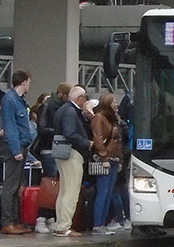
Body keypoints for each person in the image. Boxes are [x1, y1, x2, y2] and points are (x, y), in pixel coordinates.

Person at [52, 86, 94, 237]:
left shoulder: (62, 109)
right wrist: (86, 143)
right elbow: (70, 133)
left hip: (62, 153)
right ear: (80, 98)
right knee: (71, 192)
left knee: (64, 191)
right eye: (85, 98)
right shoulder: (71, 111)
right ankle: (64, 226)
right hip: (72, 153)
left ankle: (60, 224)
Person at [0, 70, 34, 235]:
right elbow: (10, 126)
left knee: (17, 186)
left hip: (22, 145)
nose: (29, 85)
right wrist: (15, 149)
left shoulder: (19, 100)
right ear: (24, 82)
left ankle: (15, 220)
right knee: (10, 186)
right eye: (29, 82)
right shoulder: (10, 100)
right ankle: (7, 222)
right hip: (16, 146)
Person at [90, 93, 122, 235]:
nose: (116, 104)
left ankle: (102, 222)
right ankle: (98, 224)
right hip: (106, 158)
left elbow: (118, 141)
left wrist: (119, 159)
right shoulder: (99, 118)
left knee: (109, 192)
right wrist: (103, 157)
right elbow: (98, 137)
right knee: (103, 192)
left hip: (114, 158)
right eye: (113, 101)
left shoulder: (112, 119)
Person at [37, 82, 72, 178]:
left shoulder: (63, 108)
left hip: (59, 147)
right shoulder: (47, 106)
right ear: (61, 94)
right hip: (49, 148)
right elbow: (41, 128)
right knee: (53, 180)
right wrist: (59, 132)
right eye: (67, 96)